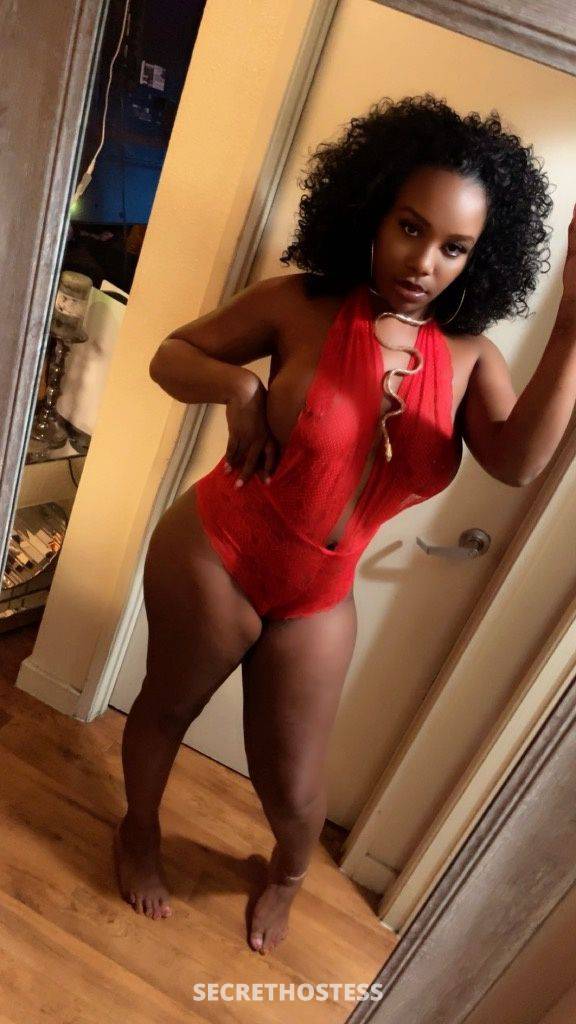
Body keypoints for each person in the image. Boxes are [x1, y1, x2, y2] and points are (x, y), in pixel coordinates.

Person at [113, 94, 576, 953]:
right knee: (167, 708)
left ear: (480, 257)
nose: (424, 261)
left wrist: (573, 324)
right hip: (217, 549)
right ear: (373, 211)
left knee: (293, 787)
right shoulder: (301, 304)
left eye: (454, 247)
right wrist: (239, 388)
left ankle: (287, 873)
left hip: (320, 592)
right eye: (410, 227)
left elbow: (517, 463)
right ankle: (138, 829)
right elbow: (172, 354)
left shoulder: (471, 360)